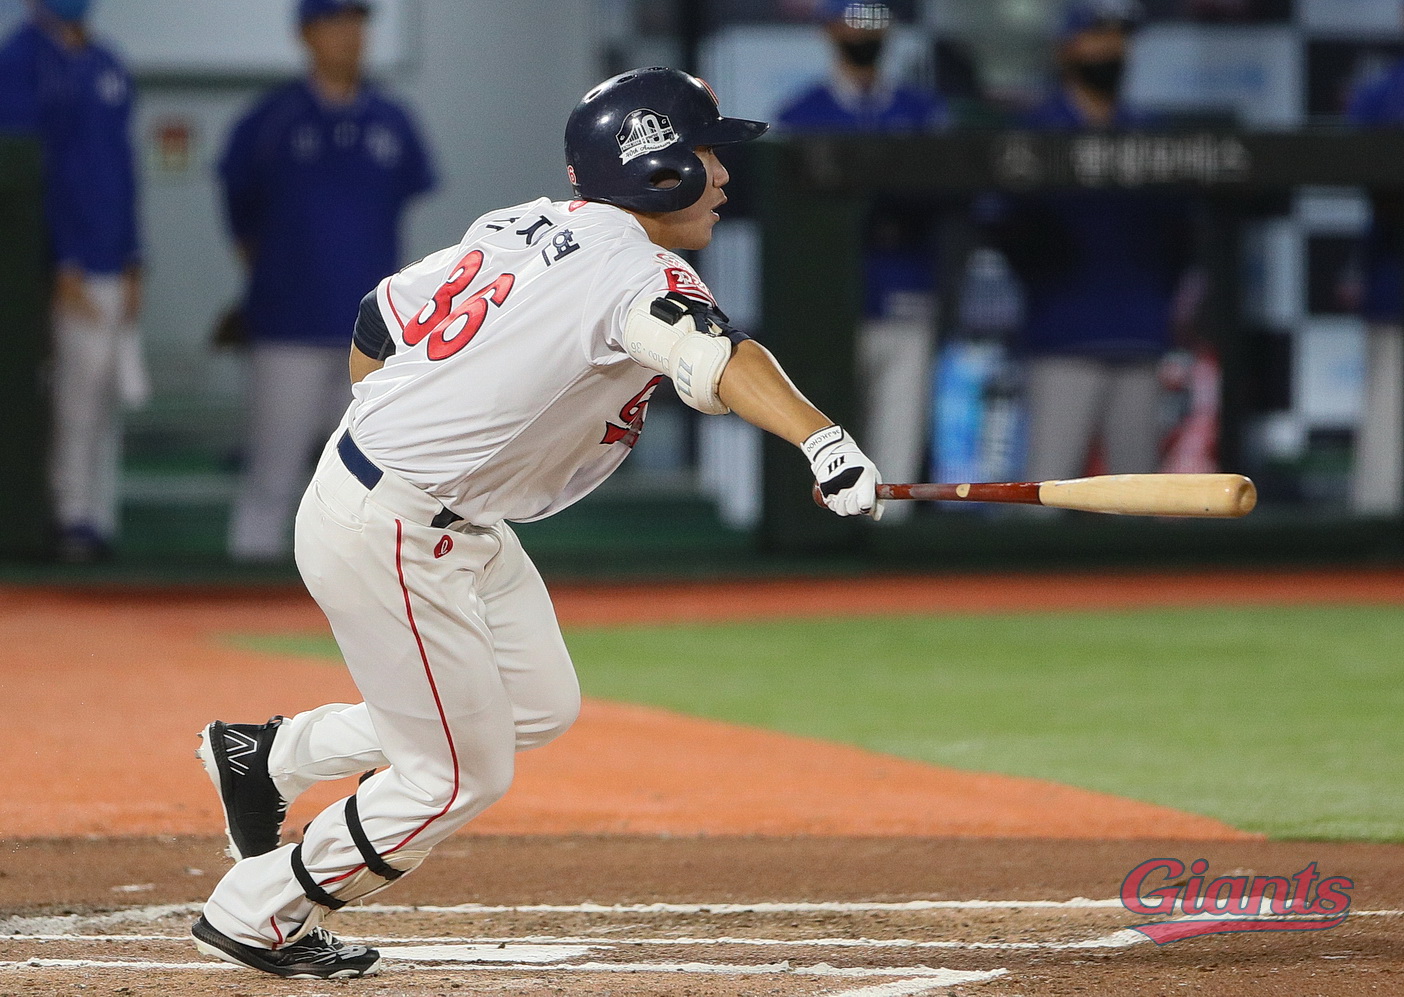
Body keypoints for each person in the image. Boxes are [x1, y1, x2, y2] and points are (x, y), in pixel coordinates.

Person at [188, 67, 883, 979]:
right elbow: (719, 352)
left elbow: (378, 316)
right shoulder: (633, 271)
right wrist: (823, 440)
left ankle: (271, 754)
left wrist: (406, 425)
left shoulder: (528, 220)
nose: (722, 177)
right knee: (453, 780)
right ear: (659, 170)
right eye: (708, 156)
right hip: (395, 527)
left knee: (535, 705)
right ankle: (258, 908)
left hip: (440, 513)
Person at [220, 0, 435, 563]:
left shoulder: (392, 118)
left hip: (375, 329)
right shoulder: (271, 119)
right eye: (336, 21)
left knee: (372, 476)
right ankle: (246, 589)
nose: (350, 34)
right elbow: (237, 207)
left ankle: (359, 586)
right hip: (287, 322)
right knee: (274, 468)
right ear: (307, 34)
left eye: (358, 21)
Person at [979, 0, 1193, 484]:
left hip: (1139, 333)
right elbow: (1000, 223)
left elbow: (1183, 235)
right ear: (1065, 48)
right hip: (1062, 335)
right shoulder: (1037, 131)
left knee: (1139, 499)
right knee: (1045, 494)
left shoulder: (1149, 133)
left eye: (1118, 36)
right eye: (1096, 35)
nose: (1110, 47)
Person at [775, 0, 946, 521]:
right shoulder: (802, 112)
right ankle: (821, 548)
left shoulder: (921, 112)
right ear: (830, 29)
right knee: (826, 431)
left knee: (898, 436)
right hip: (828, 303)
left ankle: (890, 556)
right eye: (851, 20)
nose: (862, 31)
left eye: (872, 20)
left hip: (906, 287)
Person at [0, 0, 143, 562]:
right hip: (59, 267)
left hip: (112, 260)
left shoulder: (108, 62)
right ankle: (67, 516)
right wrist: (57, 260)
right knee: (69, 400)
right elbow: (23, 174)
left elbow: (122, 167)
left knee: (106, 396)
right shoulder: (21, 58)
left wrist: (135, 257)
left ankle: (97, 517)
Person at [1345, 45, 1404, 516]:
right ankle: (1370, 548)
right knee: (1386, 427)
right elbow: (1371, 181)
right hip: (1395, 280)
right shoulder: (1383, 92)